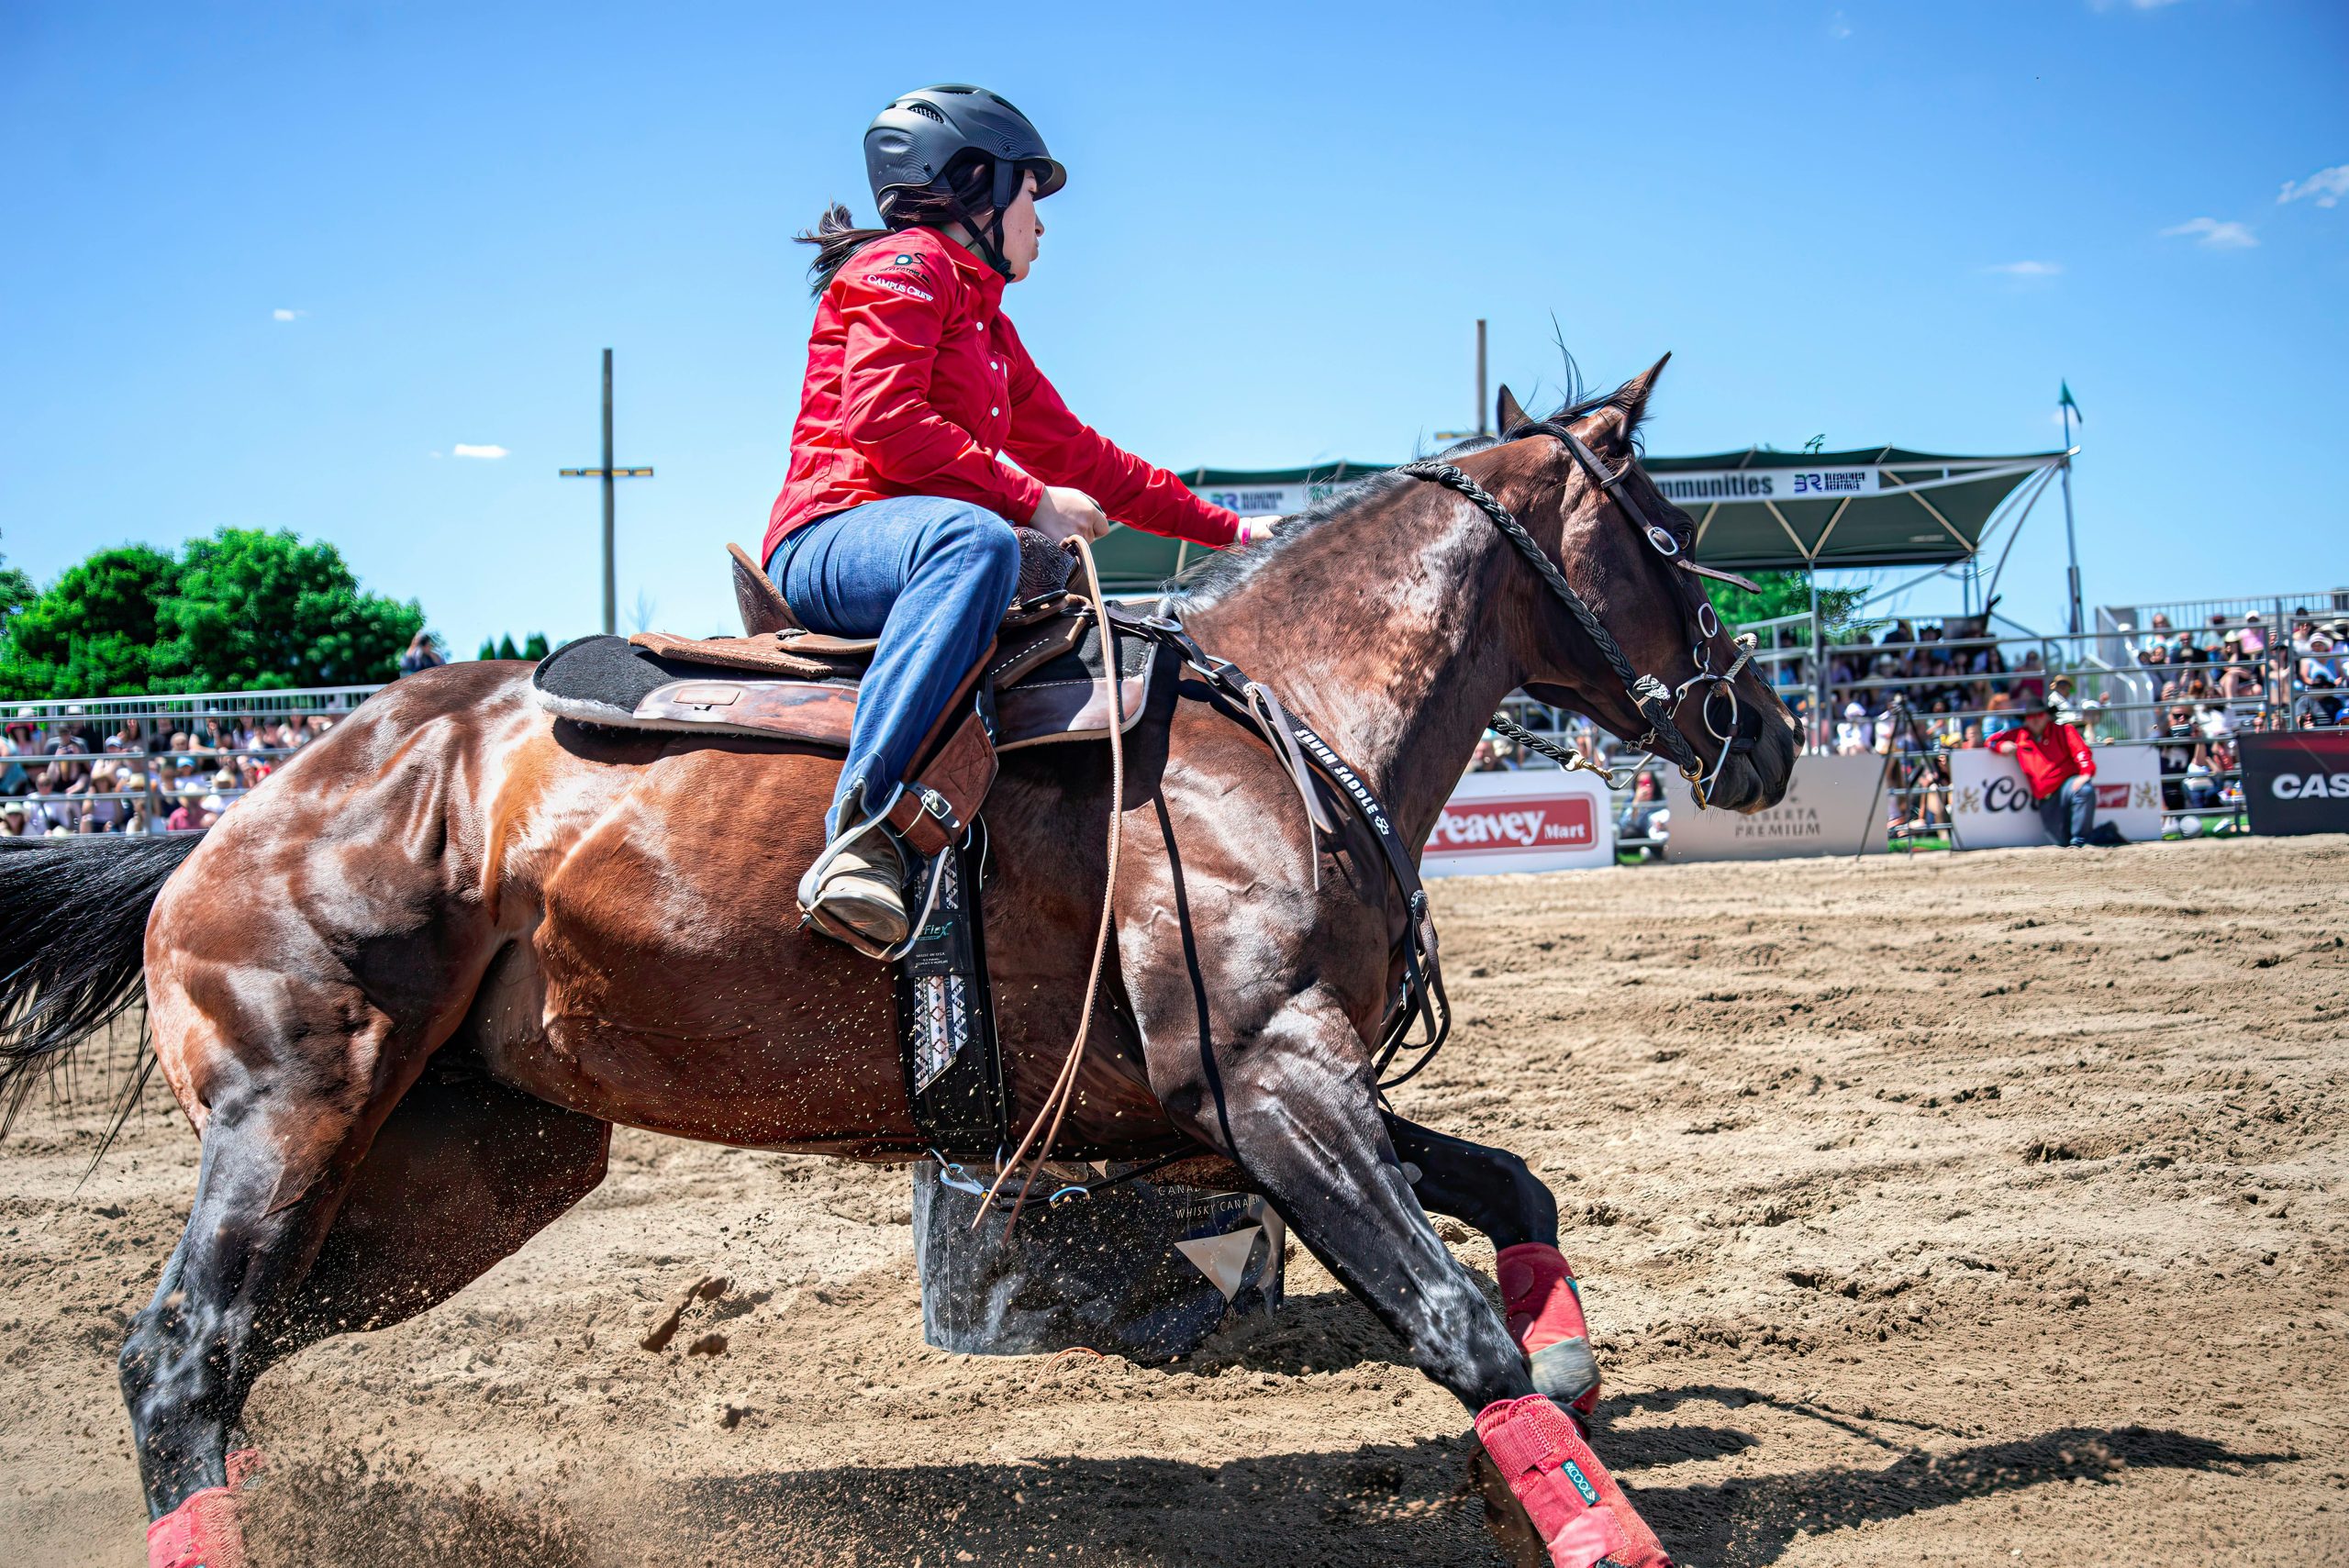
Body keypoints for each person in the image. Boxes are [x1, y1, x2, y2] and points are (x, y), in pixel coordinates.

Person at [764, 85, 1264, 951]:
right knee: (980, 539)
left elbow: (1088, 459)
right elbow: (882, 422)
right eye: (1032, 192)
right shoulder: (904, 269)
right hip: (831, 540)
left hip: (922, 553)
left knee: (999, 551)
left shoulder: (989, 327)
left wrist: (1233, 534)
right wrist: (1031, 501)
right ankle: (863, 831)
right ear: (976, 186)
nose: (1043, 218)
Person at [1987, 695, 2099, 848]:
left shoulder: (2064, 731)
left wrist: (2086, 773)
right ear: (2026, 719)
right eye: (2031, 716)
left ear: (2047, 716)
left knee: (2084, 791)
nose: (2035, 719)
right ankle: (2096, 836)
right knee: (2060, 842)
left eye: (2039, 715)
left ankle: (2080, 841)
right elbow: (1991, 741)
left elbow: (2082, 753)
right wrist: (2000, 746)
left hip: (2067, 786)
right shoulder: (2019, 735)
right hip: (2046, 800)